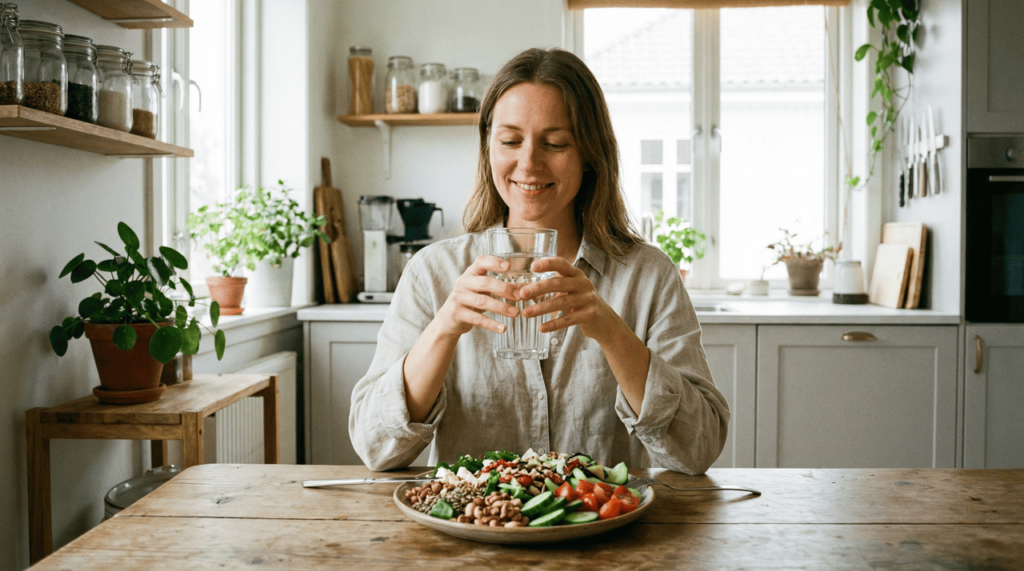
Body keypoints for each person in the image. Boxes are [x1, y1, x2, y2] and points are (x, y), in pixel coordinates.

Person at [349, 48, 728, 475]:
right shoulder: (432, 273)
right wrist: (444, 327)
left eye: (555, 143)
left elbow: (699, 449)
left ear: (590, 154)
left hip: (601, 515)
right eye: (510, 141)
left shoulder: (648, 276)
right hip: (470, 517)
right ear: (488, 148)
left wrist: (610, 330)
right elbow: (375, 448)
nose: (529, 163)